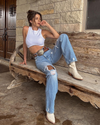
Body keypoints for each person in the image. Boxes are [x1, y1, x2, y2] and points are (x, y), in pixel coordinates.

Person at [21, 10, 83, 124]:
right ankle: (50, 110)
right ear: (30, 20)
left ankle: (72, 67)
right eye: (36, 19)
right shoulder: (26, 29)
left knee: (63, 36)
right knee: (53, 73)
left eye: (40, 18)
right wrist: (25, 59)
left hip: (50, 54)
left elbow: (57, 36)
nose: (39, 21)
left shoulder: (43, 31)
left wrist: (47, 25)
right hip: (40, 59)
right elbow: (25, 44)